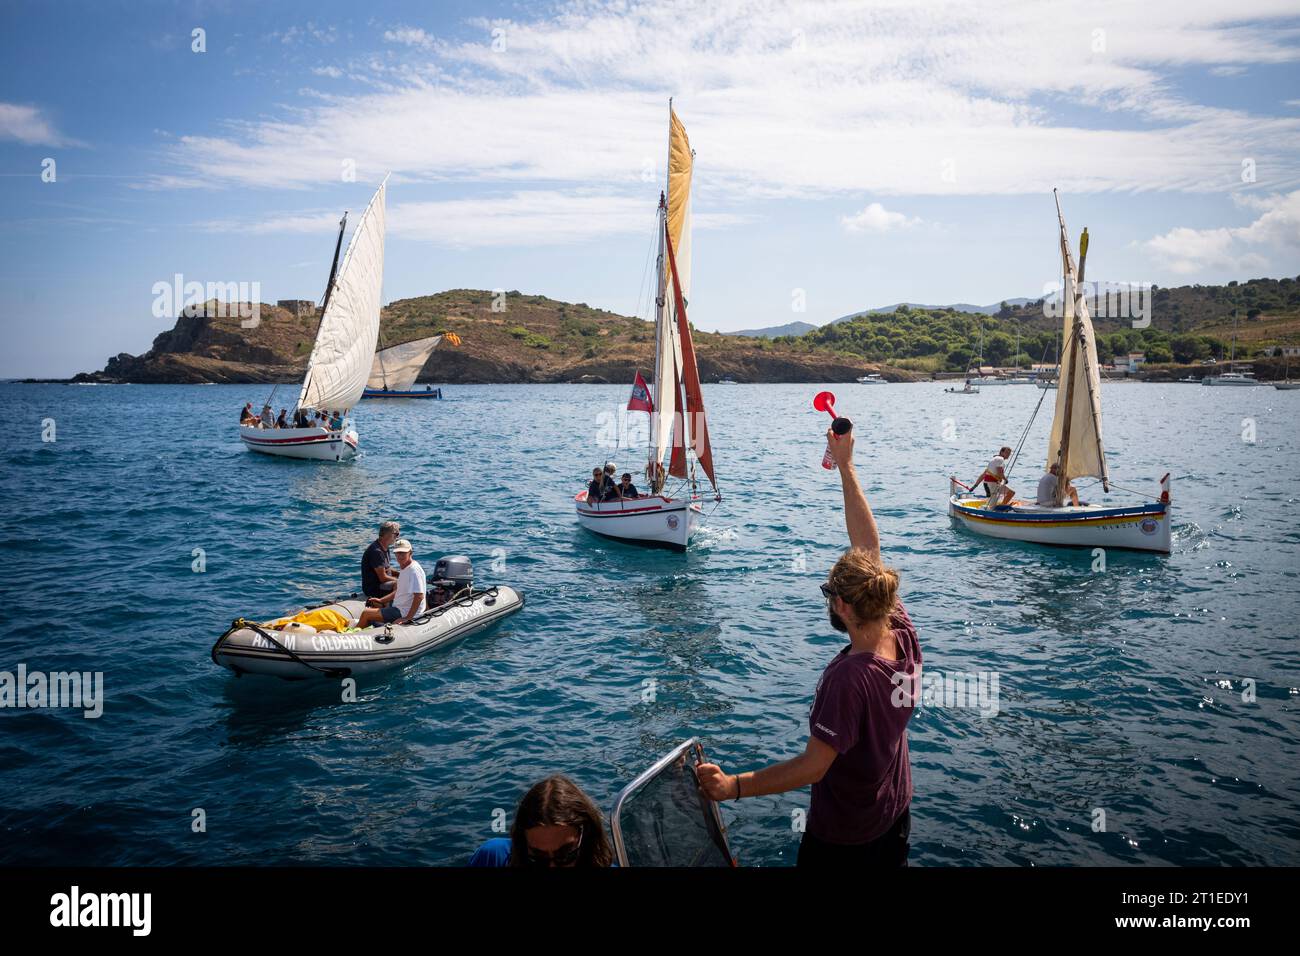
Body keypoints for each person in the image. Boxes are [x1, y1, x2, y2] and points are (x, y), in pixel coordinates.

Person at [696, 423, 921, 868]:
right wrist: (845, 465)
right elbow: (868, 546)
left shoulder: (848, 678)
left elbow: (814, 766)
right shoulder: (901, 630)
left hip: (847, 840)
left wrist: (733, 786)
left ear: (841, 605)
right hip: (894, 812)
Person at [468, 775, 614, 868]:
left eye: (565, 856)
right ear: (523, 845)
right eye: (538, 859)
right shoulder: (492, 858)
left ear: (585, 837)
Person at [359, 538, 425, 627]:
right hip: (399, 607)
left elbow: (419, 596)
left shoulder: (413, 570)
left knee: (366, 613)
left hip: (403, 611)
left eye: (403, 553)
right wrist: (381, 600)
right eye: (398, 553)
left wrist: (407, 618)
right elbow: (399, 591)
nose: (400, 556)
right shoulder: (405, 567)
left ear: (410, 552)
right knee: (373, 608)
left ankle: (352, 634)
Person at [361, 521, 402, 598]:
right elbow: (383, 578)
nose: (397, 537)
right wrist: (400, 580)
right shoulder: (377, 551)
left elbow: (387, 568)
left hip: (382, 583)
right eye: (396, 534)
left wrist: (401, 574)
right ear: (388, 534)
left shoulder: (384, 547)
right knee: (400, 584)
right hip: (374, 588)